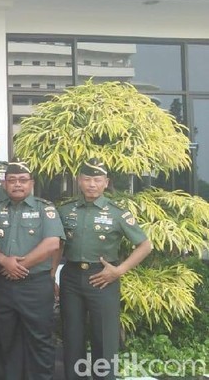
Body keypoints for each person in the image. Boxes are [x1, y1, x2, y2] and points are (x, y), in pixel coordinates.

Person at [58, 158, 152, 380]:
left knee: (104, 339)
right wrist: (53, 274)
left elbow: (145, 245)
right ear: (79, 180)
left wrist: (119, 271)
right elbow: (58, 245)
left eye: (97, 179)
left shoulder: (117, 213)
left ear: (105, 182)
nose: (92, 184)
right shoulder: (65, 210)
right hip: (71, 277)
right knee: (72, 337)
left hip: (103, 278)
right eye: (87, 179)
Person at [0, 159, 64, 380]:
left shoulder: (44, 208)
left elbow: (52, 244)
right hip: (3, 284)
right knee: (7, 339)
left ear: (31, 183)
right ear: (4, 184)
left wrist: (18, 266)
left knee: (40, 339)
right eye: (12, 180)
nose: (17, 184)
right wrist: (4, 261)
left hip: (35, 284)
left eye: (22, 180)